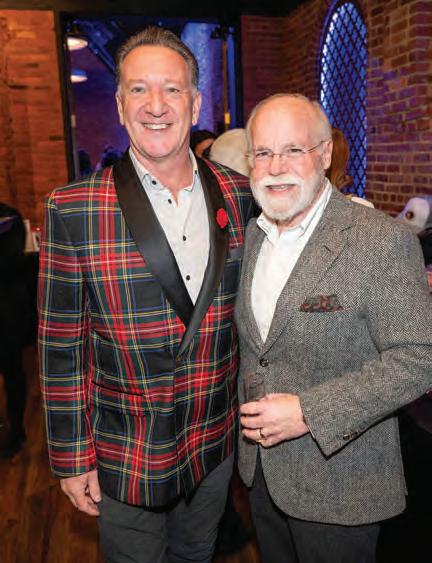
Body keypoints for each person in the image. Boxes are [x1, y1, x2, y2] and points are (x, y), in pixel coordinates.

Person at [38, 26, 253, 563]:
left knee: (197, 555)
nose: (156, 105)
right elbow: (61, 348)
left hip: (213, 443)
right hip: (126, 452)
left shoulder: (240, 194)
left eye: (172, 89)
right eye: (138, 89)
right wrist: (72, 456)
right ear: (119, 104)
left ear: (195, 102)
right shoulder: (74, 208)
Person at [235, 93, 432, 563]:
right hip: (261, 475)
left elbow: (420, 356)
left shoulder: (380, 241)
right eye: (263, 153)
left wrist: (310, 411)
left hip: (341, 485)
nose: (276, 167)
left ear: (324, 154)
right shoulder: (253, 235)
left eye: (293, 150)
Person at [0, 203, 31, 457]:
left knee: (12, 373)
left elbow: (9, 262)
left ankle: (17, 430)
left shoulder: (8, 218)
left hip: (6, 312)